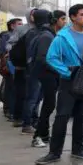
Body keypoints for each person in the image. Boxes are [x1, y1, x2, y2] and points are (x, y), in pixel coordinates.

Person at [35, 4, 83, 165]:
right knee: (62, 117)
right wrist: (67, 72)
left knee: (81, 117)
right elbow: (51, 58)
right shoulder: (62, 37)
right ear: (73, 17)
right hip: (69, 82)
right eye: (82, 14)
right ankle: (54, 152)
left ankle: (78, 149)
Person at [27, 9, 56, 148]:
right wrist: (58, 68)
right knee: (46, 106)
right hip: (45, 76)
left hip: (41, 75)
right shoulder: (46, 36)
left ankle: (43, 134)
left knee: (46, 105)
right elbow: (42, 59)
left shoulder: (39, 33)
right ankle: (38, 135)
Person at [7, 8, 37, 127]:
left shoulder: (42, 29)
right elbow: (10, 44)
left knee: (34, 95)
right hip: (21, 66)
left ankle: (31, 118)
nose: (35, 16)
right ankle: (18, 117)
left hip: (34, 67)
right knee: (21, 93)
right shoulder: (21, 29)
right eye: (33, 14)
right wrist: (15, 53)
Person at [0, 18, 22, 120]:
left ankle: (13, 109)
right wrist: (4, 65)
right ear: (12, 26)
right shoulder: (7, 35)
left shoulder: (21, 35)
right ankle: (7, 109)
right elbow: (3, 52)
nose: (22, 26)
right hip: (9, 65)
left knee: (15, 87)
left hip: (17, 65)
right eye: (19, 24)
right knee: (9, 87)